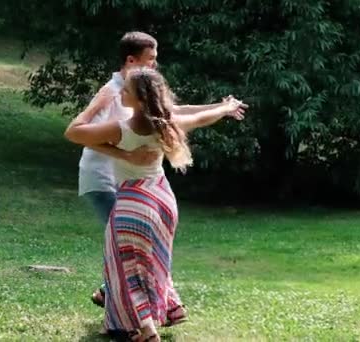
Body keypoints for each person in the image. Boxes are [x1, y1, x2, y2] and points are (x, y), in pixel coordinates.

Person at [65, 67, 246, 341]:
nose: (121, 93)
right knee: (154, 262)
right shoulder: (167, 123)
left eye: (126, 90)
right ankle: (171, 308)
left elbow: (73, 132)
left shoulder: (121, 129)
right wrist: (226, 108)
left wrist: (98, 106)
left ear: (139, 99)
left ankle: (147, 329)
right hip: (163, 201)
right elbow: (200, 117)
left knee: (125, 266)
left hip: (133, 204)